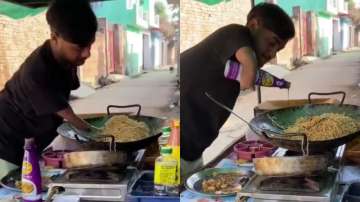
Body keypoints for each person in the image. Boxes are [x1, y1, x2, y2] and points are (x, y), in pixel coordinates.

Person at [180, 2, 295, 178]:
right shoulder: (234, 33)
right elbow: (249, 78)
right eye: (272, 43)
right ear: (253, 25)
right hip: (174, 149)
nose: (272, 54)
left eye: (278, 50)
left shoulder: (233, 64)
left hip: (192, 154)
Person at [0, 0, 99, 178]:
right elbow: (71, 118)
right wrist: (103, 136)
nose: (87, 53)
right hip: (6, 139)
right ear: (54, 37)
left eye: (89, 44)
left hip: (33, 136)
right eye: (79, 47)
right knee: (15, 188)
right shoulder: (37, 71)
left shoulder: (65, 59)